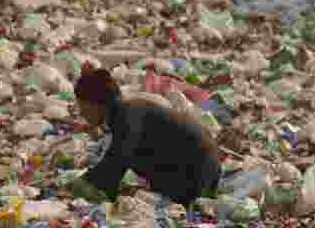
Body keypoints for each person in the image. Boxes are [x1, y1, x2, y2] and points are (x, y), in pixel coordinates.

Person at [68, 67, 222, 207]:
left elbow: (116, 162)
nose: (82, 113)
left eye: (83, 107)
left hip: (199, 170)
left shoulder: (127, 115)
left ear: (96, 104)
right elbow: (116, 161)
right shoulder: (128, 111)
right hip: (203, 168)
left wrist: (83, 182)